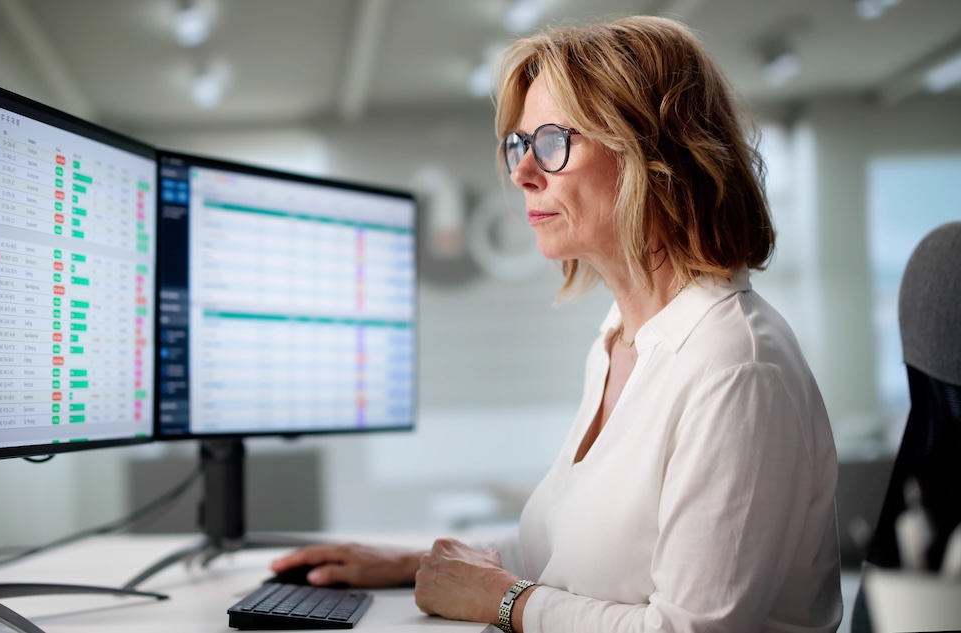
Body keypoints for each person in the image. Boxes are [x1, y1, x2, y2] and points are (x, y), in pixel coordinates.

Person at [270, 15, 842, 633]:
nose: (522, 172)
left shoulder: (735, 365)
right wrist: (421, 564)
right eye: (520, 144)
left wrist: (502, 600)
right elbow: (579, 557)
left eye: (552, 142)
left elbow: (688, 629)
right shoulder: (619, 342)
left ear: (652, 155)